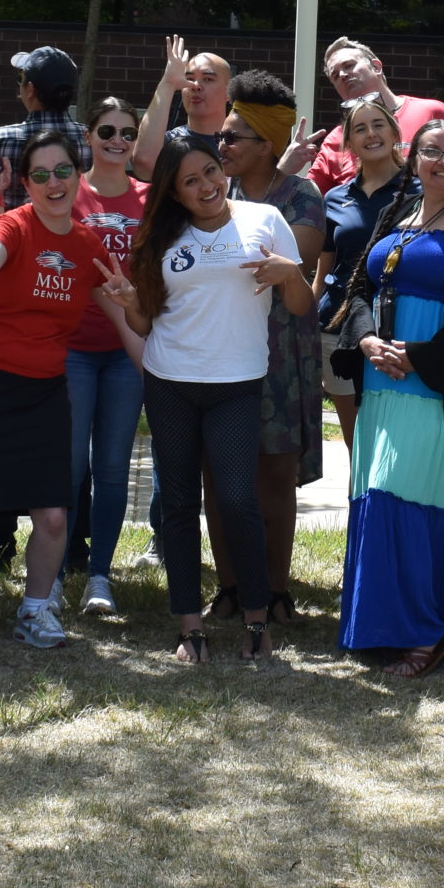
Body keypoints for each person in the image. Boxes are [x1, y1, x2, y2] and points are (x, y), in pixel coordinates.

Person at [0, 132, 136, 654]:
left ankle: (34, 612)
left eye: (62, 171)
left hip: (43, 390)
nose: (53, 183)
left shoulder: (87, 244)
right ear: (25, 183)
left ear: (76, 176)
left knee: (54, 515)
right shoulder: (12, 224)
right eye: (40, 174)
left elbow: (125, 318)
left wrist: (160, 363)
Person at [115, 133, 314, 664]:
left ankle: (256, 620)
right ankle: (189, 628)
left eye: (209, 171)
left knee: (236, 500)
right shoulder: (161, 237)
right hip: (169, 382)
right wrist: (130, 304)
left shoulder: (264, 221)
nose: (206, 186)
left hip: (237, 385)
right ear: (174, 194)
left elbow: (300, 304)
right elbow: (145, 318)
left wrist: (290, 274)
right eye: (190, 181)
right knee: (178, 505)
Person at [331, 114, 444, 675]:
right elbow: (359, 285)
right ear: (414, 157)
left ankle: (429, 629)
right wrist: (365, 340)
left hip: (440, 380)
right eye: (433, 151)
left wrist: (421, 356)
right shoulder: (398, 210)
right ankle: (384, 627)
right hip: (382, 377)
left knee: (403, 494)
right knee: (378, 495)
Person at [207, 70, 327, 623]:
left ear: (268, 144)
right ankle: (229, 587)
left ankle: (276, 590)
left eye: (233, 138)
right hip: (217, 347)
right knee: (219, 472)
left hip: (281, 351)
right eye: (222, 138)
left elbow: (279, 265)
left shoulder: (301, 197)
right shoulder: (212, 190)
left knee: (274, 475)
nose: (221, 146)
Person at [69, 96, 151, 616]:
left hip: (131, 350)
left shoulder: (151, 198)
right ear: (89, 136)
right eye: (107, 132)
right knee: (70, 464)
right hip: (73, 347)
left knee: (115, 465)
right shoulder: (68, 189)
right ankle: (53, 573)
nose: (117, 142)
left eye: (127, 133)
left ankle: (100, 575)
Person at [317, 97, 413, 451]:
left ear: (394, 132)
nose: (371, 134)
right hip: (337, 329)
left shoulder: (421, 193)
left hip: (397, 329)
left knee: (396, 441)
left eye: (378, 125)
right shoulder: (335, 198)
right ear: (349, 143)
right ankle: (359, 507)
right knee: (357, 443)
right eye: (360, 128)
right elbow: (324, 268)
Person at [308, 35, 444, 190]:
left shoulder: (431, 113)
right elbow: (307, 199)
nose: (342, 75)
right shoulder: (337, 139)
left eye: (349, 65)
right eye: (335, 75)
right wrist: (287, 167)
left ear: (376, 67)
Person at [0, 45, 92, 211]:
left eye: (20, 77)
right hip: (74, 232)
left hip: (13, 234)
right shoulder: (92, 139)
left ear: (30, 89)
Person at [133, 35, 232, 178]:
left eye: (208, 79)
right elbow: (144, 165)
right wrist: (168, 83)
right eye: (189, 79)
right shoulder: (171, 142)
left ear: (229, 91)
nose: (195, 86)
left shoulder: (243, 143)